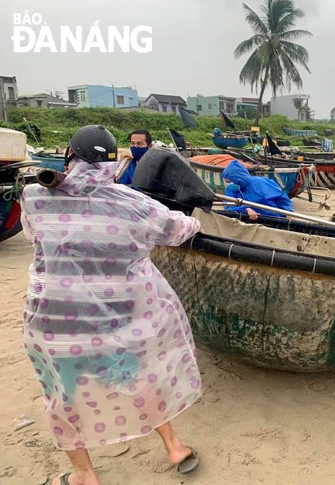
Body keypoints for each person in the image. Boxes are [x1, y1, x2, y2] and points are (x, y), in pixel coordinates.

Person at [20, 125, 202, 485]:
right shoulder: (132, 204)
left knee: (61, 394)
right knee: (139, 377)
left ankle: (84, 474)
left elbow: (33, 237)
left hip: (54, 324)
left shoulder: (35, 197)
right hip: (115, 321)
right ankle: (174, 446)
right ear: (110, 164)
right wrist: (195, 219)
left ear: (70, 157)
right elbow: (179, 229)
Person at [222, 160, 293, 221]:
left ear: (238, 179)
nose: (230, 185)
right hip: (249, 220)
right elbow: (229, 207)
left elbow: (281, 197)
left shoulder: (263, 182)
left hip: (274, 218)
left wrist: (288, 212)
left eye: (230, 181)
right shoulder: (231, 190)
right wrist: (246, 209)